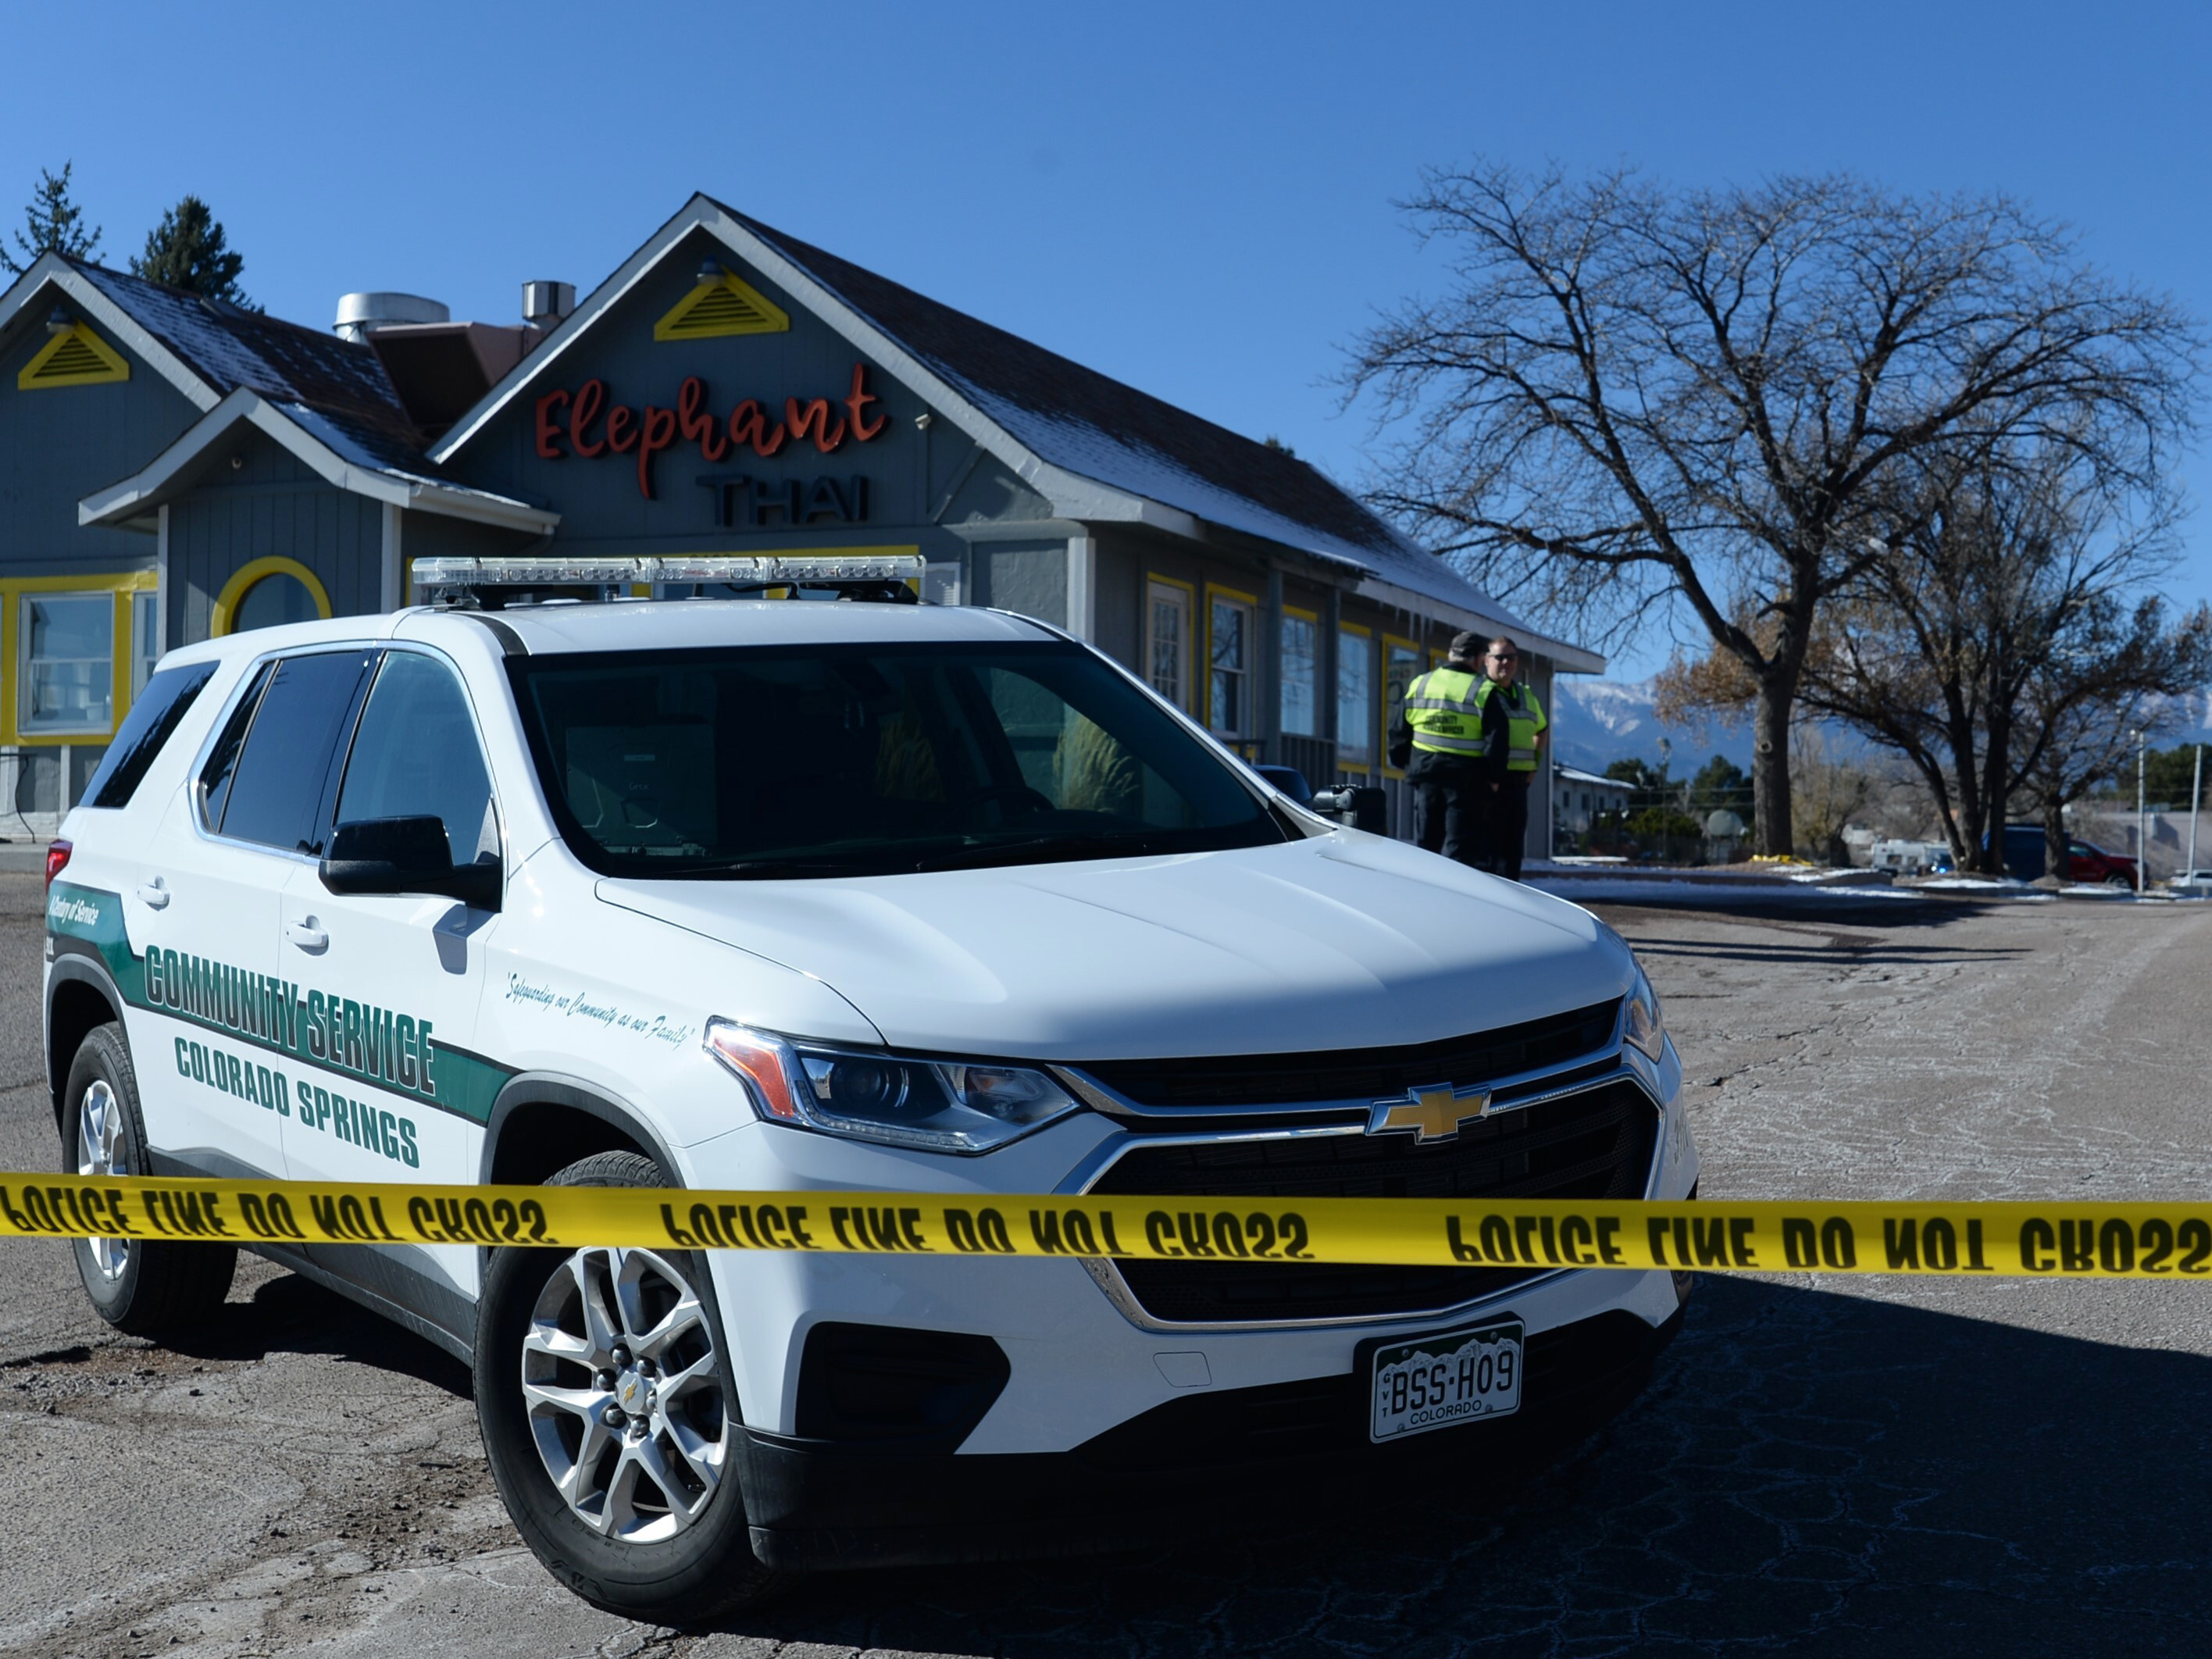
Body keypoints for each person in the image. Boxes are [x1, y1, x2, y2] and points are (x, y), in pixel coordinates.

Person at [1387, 631, 1491, 867]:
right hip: (1466, 781)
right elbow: (1497, 740)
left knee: (1427, 847)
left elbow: (1398, 730)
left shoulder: (1421, 683)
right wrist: (1492, 778)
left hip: (1427, 775)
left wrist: (1408, 764)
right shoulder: (1483, 689)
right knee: (1459, 850)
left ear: (1451, 654)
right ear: (1477, 659)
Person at [1473, 637, 1547, 880]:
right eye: (1500, 657)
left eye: (1511, 657)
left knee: (1512, 852)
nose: (1506, 662)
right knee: (1486, 851)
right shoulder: (1478, 692)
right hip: (1486, 783)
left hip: (1517, 783)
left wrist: (1535, 764)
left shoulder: (1526, 695)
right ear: (1486, 660)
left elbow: (1542, 730)